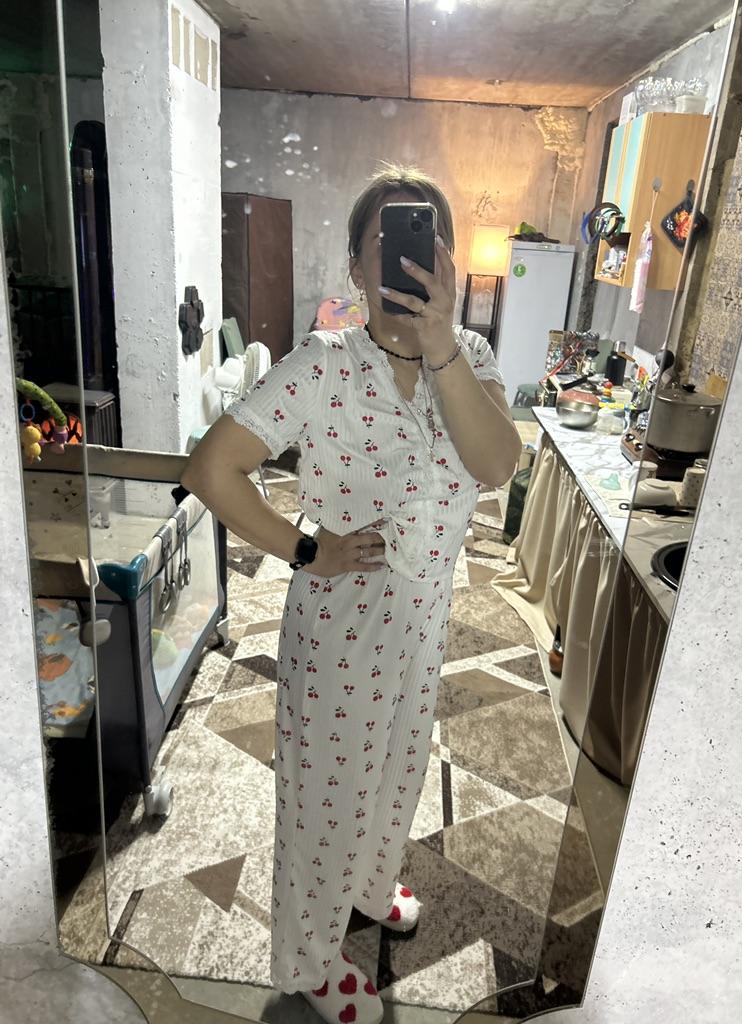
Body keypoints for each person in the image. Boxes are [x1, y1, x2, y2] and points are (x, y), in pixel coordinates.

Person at [181, 163, 521, 1024]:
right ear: (357, 268)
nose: (411, 259)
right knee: (324, 802)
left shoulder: (471, 358)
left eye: (430, 240)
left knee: (397, 771)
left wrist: (441, 344)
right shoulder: (325, 365)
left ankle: (368, 888)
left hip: (425, 618)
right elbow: (212, 469)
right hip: (341, 626)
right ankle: (308, 962)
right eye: (390, 241)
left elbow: (495, 465)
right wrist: (306, 548)